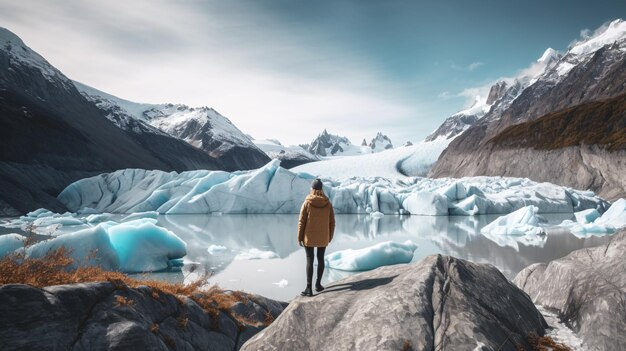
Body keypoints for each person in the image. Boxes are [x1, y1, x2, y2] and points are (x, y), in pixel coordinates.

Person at [297, 178, 335, 297]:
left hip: (309, 236)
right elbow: (332, 222)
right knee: (320, 258)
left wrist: (299, 237)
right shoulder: (328, 203)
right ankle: (318, 285)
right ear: (321, 189)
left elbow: (301, 221)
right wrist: (330, 236)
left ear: (312, 189)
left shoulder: (307, 202)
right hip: (323, 237)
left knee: (310, 259)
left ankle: (309, 288)